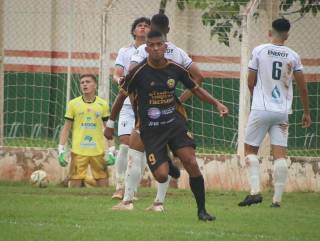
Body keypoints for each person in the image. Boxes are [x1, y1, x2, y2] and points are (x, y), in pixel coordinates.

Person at [105, 30, 229, 221]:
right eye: (151, 45)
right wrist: (110, 124)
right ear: (146, 49)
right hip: (151, 129)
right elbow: (121, 98)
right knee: (162, 176)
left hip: (174, 123)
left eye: (159, 45)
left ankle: (202, 211)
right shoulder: (138, 71)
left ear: (165, 46)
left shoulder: (175, 68)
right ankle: (167, 161)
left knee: (191, 162)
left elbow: (196, 89)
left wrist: (217, 103)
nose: (155, 48)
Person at [109, 13, 205, 212]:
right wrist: (179, 99)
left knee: (134, 151)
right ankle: (159, 203)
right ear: (168, 29)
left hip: (142, 110)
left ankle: (127, 201)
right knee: (163, 154)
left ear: (152, 29)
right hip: (167, 110)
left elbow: (130, 76)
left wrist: (111, 121)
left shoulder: (144, 50)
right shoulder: (177, 52)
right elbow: (198, 77)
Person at [238, 18, 311, 207]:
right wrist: (306, 112)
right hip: (282, 112)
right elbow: (303, 88)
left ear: (270, 32)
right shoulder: (293, 56)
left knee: (249, 150)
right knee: (280, 154)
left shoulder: (259, 50)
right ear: (287, 34)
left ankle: (255, 192)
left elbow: (250, 80)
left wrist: (257, 98)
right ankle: (277, 200)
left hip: (261, 108)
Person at [111, 17, 151, 199]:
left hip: (147, 104)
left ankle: (132, 189)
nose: (143, 28)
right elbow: (117, 73)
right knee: (125, 146)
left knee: (140, 148)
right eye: (139, 26)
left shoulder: (155, 50)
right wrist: (123, 82)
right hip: (128, 103)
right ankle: (119, 186)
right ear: (134, 30)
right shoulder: (125, 51)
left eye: (146, 26)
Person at [58, 74, 110, 187]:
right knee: (74, 188)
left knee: (104, 188)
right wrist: (61, 150)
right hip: (78, 152)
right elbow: (66, 128)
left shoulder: (103, 104)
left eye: (88, 82)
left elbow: (108, 129)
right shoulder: (73, 104)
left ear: (95, 85)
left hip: (97, 152)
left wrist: (112, 150)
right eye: (82, 82)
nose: (84, 84)